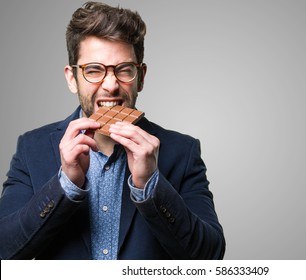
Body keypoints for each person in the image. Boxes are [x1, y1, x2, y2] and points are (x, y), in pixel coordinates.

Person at [0, 1, 225, 260]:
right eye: (93, 70)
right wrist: (66, 185)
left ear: (141, 77)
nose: (111, 85)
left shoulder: (182, 152)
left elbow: (210, 257)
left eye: (124, 70)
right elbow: (4, 252)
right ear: (72, 78)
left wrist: (150, 184)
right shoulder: (32, 148)